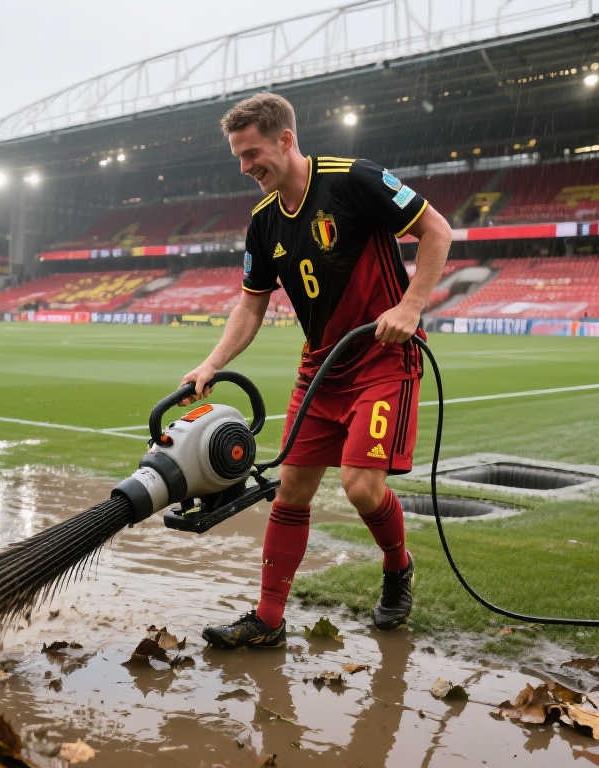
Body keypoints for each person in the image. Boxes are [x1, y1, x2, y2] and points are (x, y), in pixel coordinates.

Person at [181, 93, 452, 649]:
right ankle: (269, 619)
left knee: (360, 487)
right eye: (237, 156)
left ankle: (398, 566)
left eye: (252, 153)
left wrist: (410, 306)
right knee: (291, 492)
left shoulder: (355, 179)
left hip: (383, 359)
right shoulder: (261, 223)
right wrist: (211, 362)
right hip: (321, 369)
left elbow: (437, 231)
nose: (244, 167)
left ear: (286, 139)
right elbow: (251, 304)